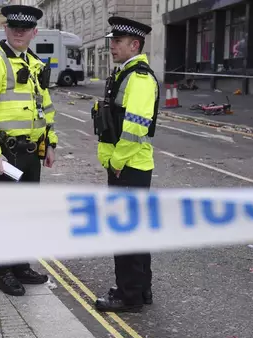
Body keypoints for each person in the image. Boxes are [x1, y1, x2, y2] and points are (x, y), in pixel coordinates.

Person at [0, 4, 58, 297]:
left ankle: (20, 265)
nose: (19, 33)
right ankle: (3, 272)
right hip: (3, 155)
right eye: (14, 28)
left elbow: (45, 108)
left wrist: (50, 144)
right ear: (5, 29)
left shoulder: (34, 63)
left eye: (25, 29)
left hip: (31, 153)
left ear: (34, 32)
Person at [92, 16, 160, 313]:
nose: (112, 46)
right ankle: (140, 290)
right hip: (126, 164)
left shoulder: (140, 78)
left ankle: (127, 295)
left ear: (135, 44)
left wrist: (116, 161)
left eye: (117, 42)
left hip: (129, 166)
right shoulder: (125, 74)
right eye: (112, 41)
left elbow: (135, 128)